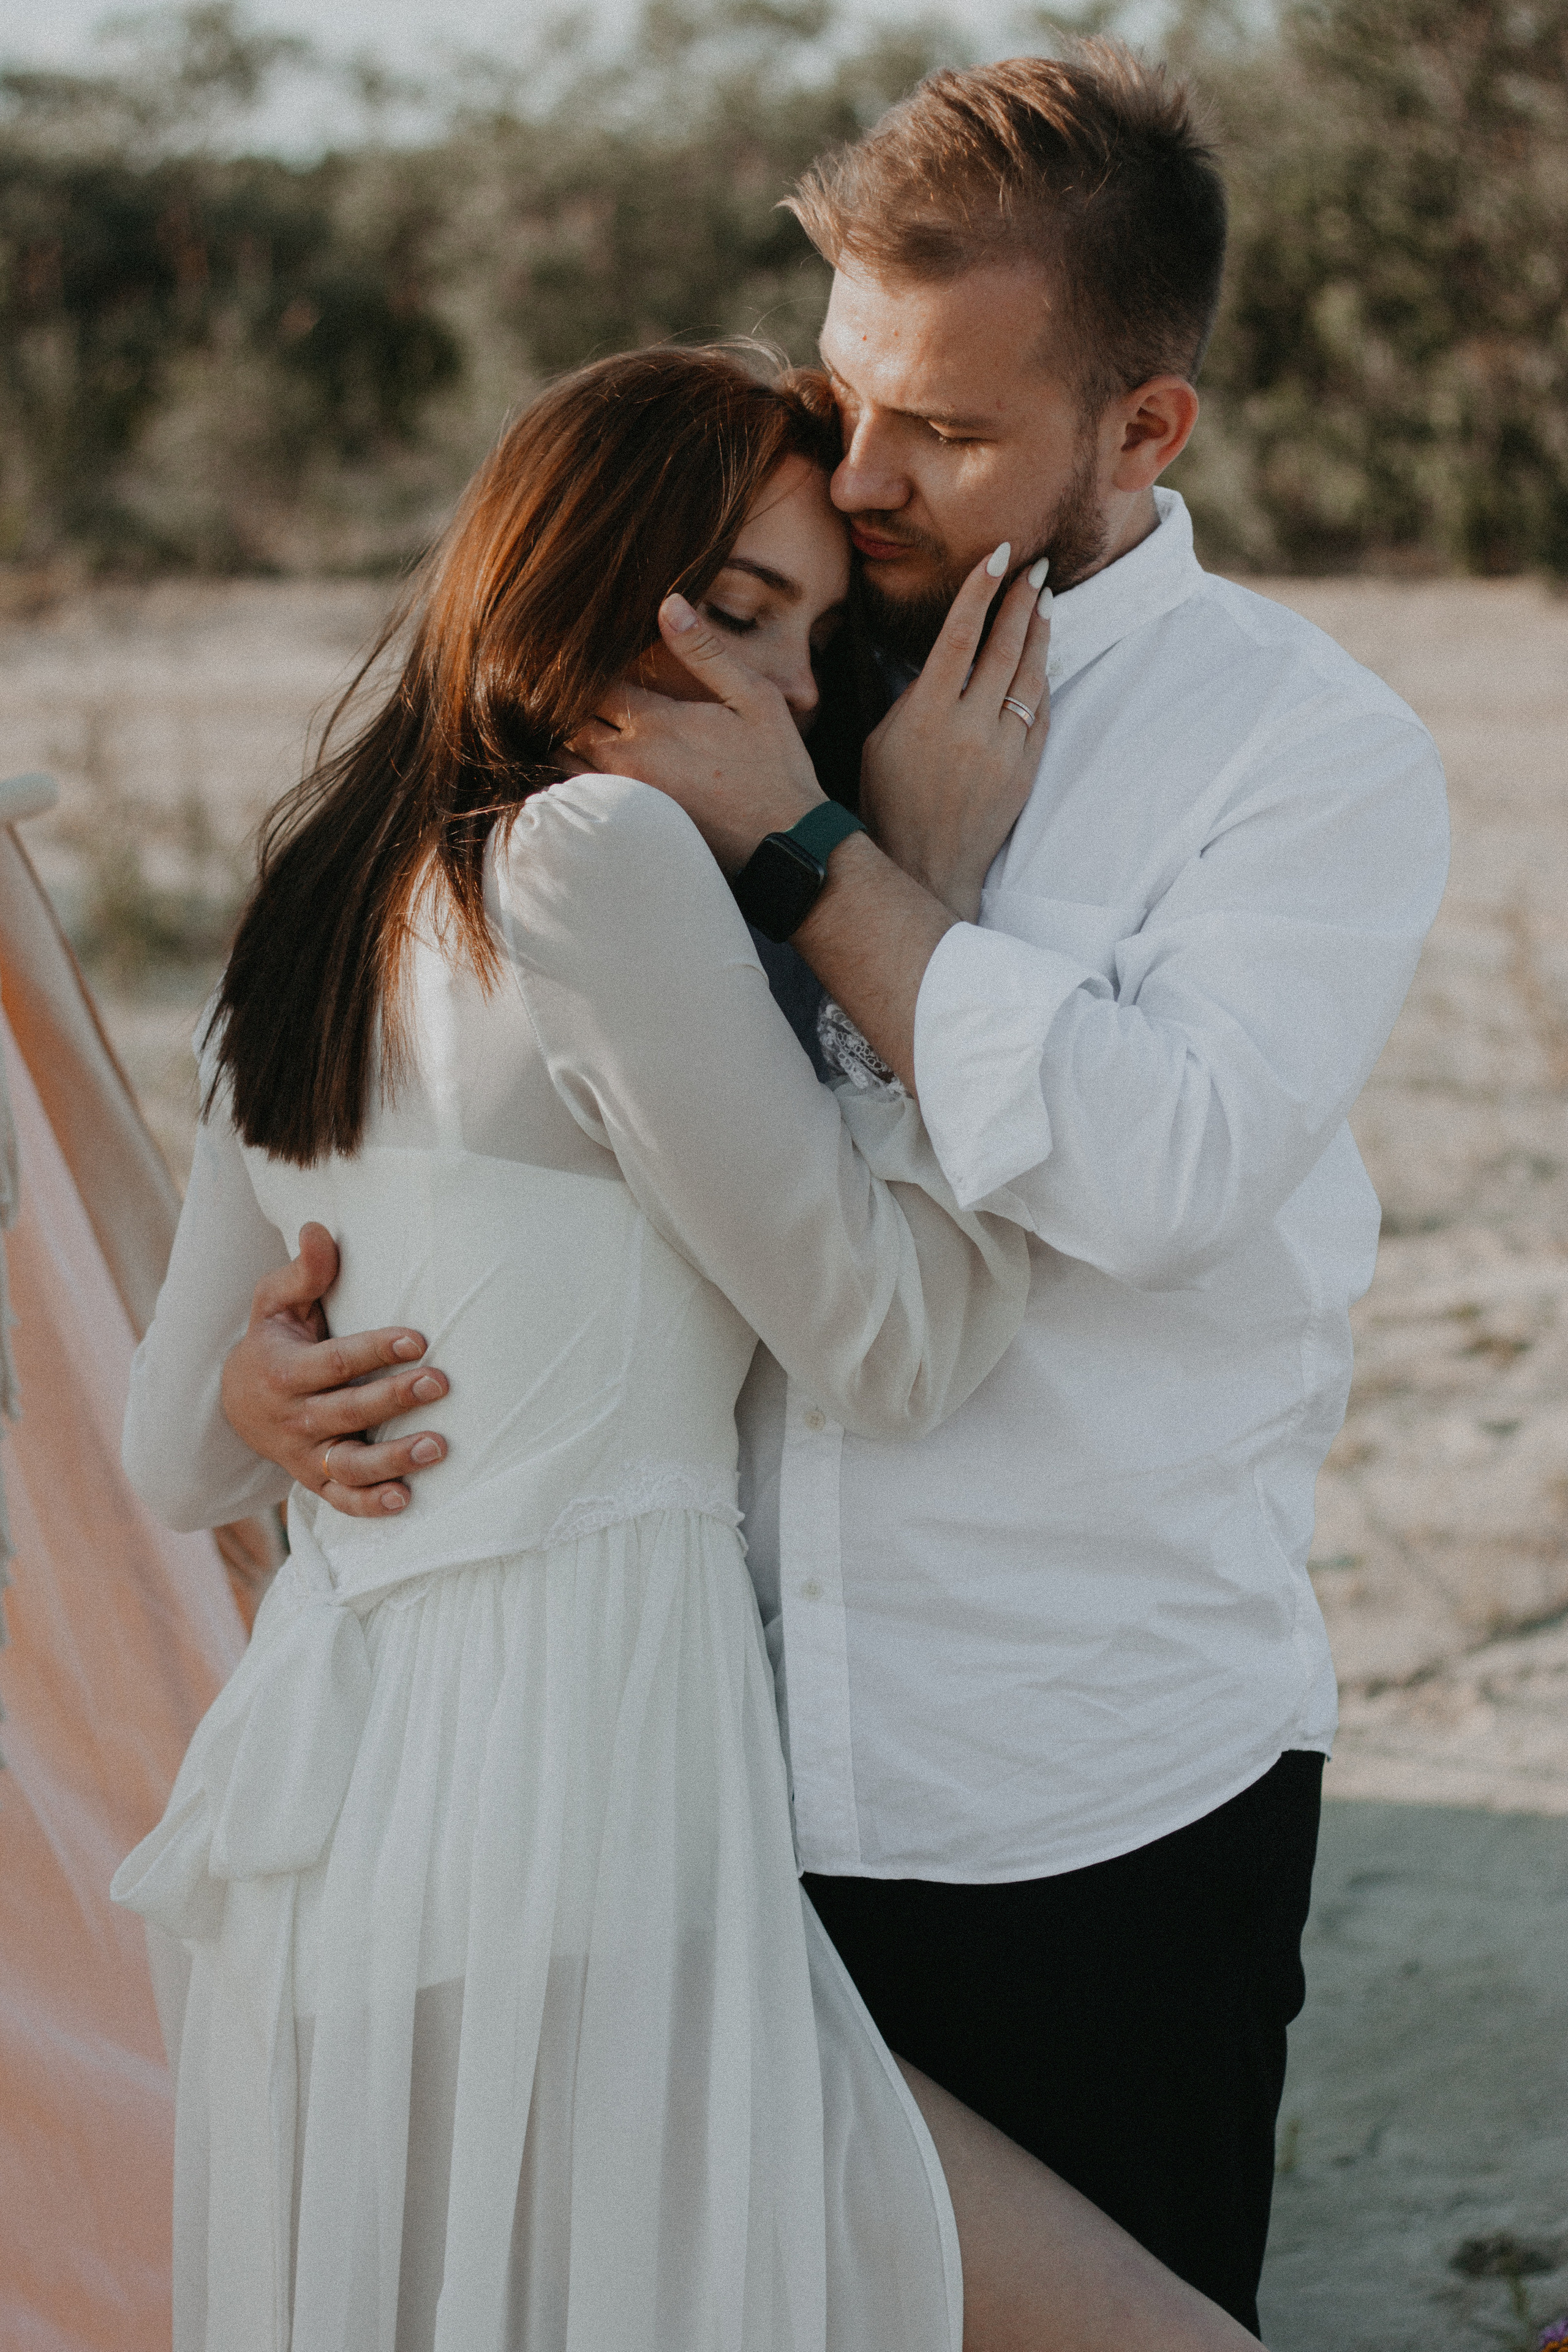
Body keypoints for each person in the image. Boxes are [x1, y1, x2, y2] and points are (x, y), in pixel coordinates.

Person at [227, 42, 1452, 2337]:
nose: (867, 478)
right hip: (686, 1782)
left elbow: (1164, 1170)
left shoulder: (1306, 755)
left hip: (1084, 1782)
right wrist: (285, 1355)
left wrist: (836, 866)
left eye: (956, 436)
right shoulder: (737, 631)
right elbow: (501, 1083)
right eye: (850, 394)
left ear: (1148, 429)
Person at [112, 346, 1260, 2352]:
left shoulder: (328, 887)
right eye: (739, 617)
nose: (799, 696)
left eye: (818, 634)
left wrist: (251, 1396)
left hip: (353, 1837)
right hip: (578, 1841)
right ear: (574, 584)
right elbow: (887, 1355)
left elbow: (169, 1464)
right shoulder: (598, 859)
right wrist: (930, 887)